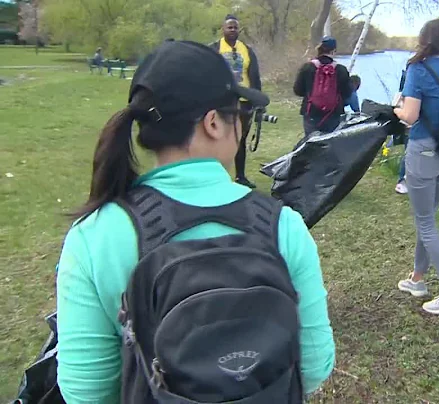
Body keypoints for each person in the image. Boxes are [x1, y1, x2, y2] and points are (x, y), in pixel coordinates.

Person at [55, 40, 334, 403]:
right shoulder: (284, 227)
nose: (243, 127)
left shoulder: (94, 235)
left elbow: (85, 392)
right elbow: (314, 366)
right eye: (241, 115)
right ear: (214, 123)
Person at [392, 18, 439, 316]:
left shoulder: (417, 69)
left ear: (423, 40)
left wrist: (394, 109)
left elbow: (409, 116)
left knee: (425, 222)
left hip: (424, 152)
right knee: (428, 220)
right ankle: (417, 280)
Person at [209, 14, 262, 188]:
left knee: (240, 138)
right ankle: (218, 177)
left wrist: (258, 100)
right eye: (229, 27)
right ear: (223, 29)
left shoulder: (247, 49)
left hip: (244, 101)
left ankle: (240, 176)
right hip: (222, 101)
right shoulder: (214, 48)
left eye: (235, 27)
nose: (232, 30)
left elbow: (254, 76)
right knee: (219, 137)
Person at [293, 36, 353, 137]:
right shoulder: (341, 70)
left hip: (311, 112)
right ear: (334, 51)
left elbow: (297, 90)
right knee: (330, 144)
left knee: (311, 143)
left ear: (319, 49)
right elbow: (347, 93)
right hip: (333, 114)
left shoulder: (307, 67)